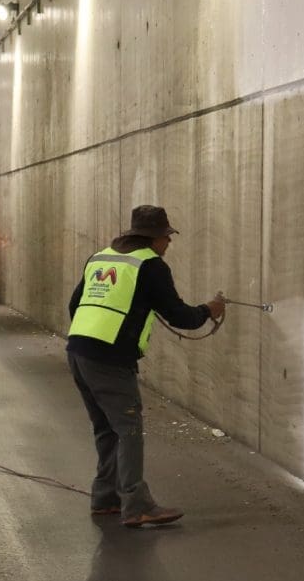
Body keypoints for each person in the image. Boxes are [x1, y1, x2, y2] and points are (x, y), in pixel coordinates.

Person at [66, 205, 225, 528]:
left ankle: (105, 498)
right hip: (109, 359)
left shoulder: (101, 257)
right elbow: (180, 315)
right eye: (167, 237)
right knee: (128, 430)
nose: (169, 242)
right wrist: (209, 309)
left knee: (106, 428)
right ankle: (137, 505)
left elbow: (75, 304)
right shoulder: (151, 266)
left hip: (79, 351)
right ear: (153, 238)